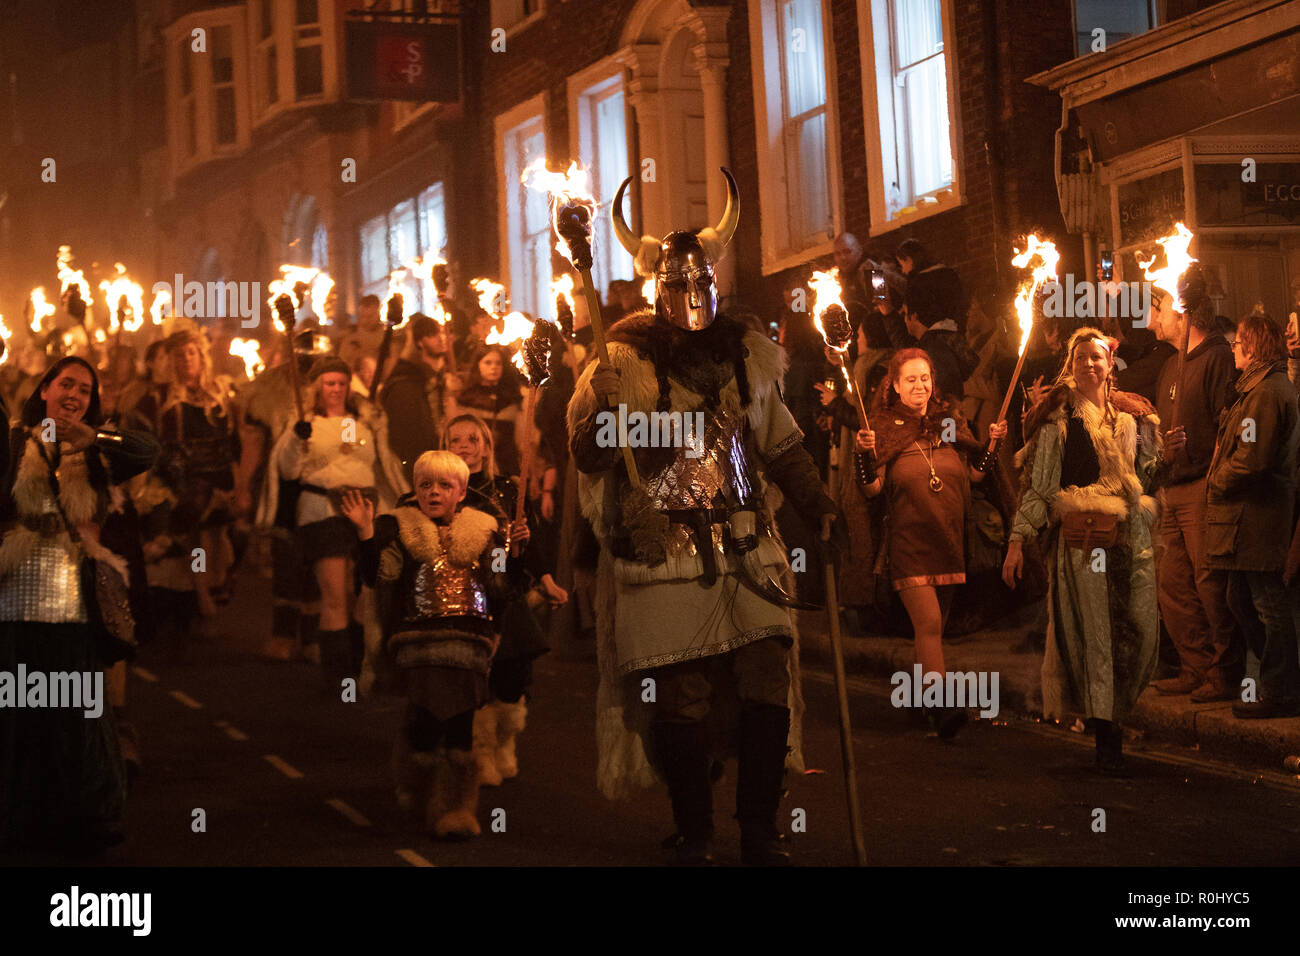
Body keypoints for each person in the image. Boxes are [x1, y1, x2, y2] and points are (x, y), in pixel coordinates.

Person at [574, 169, 841, 865]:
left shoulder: (745, 356)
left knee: (765, 674)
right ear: (653, 289)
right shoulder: (619, 360)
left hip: (749, 546)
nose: (692, 298)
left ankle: (758, 827)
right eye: (677, 286)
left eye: (701, 284)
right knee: (682, 695)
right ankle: (694, 828)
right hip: (661, 552)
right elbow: (589, 458)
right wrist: (602, 414)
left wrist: (822, 508)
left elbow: (781, 446)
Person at [0, 358, 159, 854]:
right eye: (65, 384)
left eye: (85, 389)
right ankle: (19, 817)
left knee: (77, 709)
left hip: (73, 596)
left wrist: (96, 439)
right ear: (44, 390)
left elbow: (149, 450)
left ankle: (82, 818)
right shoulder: (12, 441)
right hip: (16, 594)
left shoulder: (99, 451)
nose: (74, 394)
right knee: (21, 708)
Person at [1002, 328, 1162, 775]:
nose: (1090, 364)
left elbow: (1145, 479)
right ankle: (1106, 738)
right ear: (1071, 367)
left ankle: (1112, 719)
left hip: (1132, 541)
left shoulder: (1131, 418)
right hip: (1085, 542)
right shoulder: (1059, 423)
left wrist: (1163, 456)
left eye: (1097, 357)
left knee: (1140, 632)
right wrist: (1017, 541)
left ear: (1110, 365)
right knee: (1097, 640)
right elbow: (1039, 487)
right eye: (1081, 358)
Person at [345, 451, 508, 839]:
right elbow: (374, 578)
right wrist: (366, 535)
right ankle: (418, 788)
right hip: (418, 645)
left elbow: (501, 587)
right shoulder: (395, 527)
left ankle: (456, 810)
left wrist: (512, 553)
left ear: (461, 492)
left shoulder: (486, 530)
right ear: (415, 489)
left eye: (444, 485)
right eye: (425, 485)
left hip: (469, 645)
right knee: (424, 721)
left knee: (459, 729)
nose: (433, 492)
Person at [853, 349, 1007, 734]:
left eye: (925, 378)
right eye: (910, 380)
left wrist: (991, 445)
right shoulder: (883, 428)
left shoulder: (948, 422)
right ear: (895, 386)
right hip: (908, 543)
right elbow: (871, 489)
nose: (920, 386)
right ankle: (940, 706)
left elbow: (973, 476)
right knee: (930, 623)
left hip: (948, 541)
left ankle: (920, 702)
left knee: (930, 630)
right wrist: (861, 453)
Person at [260, 357, 408, 684]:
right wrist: (297, 440)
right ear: (318, 387)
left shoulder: (364, 423)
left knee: (367, 595)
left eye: (341, 383)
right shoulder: (304, 422)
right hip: (324, 513)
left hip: (368, 511)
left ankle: (359, 666)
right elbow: (287, 469)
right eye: (329, 383)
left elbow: (382, 463)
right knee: (335, 597)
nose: (336, 389)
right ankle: (340, 679)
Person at [443, 413, 565, 785]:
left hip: (505, 593)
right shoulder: (440, 487)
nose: (464, 446)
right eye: (455, 440)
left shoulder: (508, 489)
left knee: (513, 680)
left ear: (486, 446)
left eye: (472, 439)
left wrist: (545, 579)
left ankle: (504, 745)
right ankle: (479, 757)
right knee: (478, 681)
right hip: (465, 594)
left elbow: (525, 546)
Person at [1149, 269, 1240, 701]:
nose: (1153, 319)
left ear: (1183, 313)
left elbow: (1229, 424)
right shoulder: (1171, 365)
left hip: (1203, 486)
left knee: (1211, 585)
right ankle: (1195, 667)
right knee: (1173, 584)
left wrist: (1203, 459)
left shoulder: (1218, 356)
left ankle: (1226, 674)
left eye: (1160, 308)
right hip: (1173, 487)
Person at [1206, 311, 1300, 719]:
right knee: (1241, 598)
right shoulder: (1257, 389)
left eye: (1239, 341)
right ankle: (1281, 678)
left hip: (1259, 517)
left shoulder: (1265, 393)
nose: (1233, 348)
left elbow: (1252, 457)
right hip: (1249, 517)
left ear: (1254, 346)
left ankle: (1282, 690)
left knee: (1266, 603)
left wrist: (1217, 480)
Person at [128, 327, 242, 640]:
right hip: (183, 480)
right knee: (198, 539)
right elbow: (140, 432)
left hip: (220, 477)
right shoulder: (160, 398)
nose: (186, 360)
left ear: (201, 356)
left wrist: (240, 484)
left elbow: (236, 440)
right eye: (180, 355)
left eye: (191, 353)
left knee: (226, 541)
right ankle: (201, 596)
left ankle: (211, 590)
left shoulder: (221, 392)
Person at [381, 312, 461, 482]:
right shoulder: (407, 383)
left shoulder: (444, 380)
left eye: (442, 333)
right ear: (419, 342)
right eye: (432, 335)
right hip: (422, 464)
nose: (441, 339)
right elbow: (409, 435)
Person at [452, 343, 524, 478]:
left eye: (498, 363)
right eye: (488, 363)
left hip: (507, 466)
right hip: (475, 468)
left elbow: (521, 439)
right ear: (478, 365)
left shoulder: (511, 398)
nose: (494, 367)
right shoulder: (467, 399)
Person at [896, 238, 967, 334]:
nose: (903, 271)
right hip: (958, 330)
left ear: (909, 260)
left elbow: (914, 317)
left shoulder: (915, 283)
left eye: (902, 265)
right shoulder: (949, 273)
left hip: (933, 336)